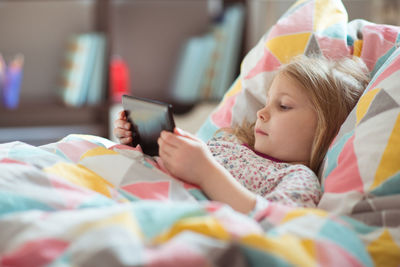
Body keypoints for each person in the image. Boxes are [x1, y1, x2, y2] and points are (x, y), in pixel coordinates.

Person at [114, 55, 370, 214]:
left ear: (324, 129)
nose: (261, 113)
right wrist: (141, 139)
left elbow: (275, 220)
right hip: (134, 188)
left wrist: (205, 171)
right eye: (267, 102)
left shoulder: (296, 177)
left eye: (283, 106)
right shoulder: (231, 141)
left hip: (171, 209)